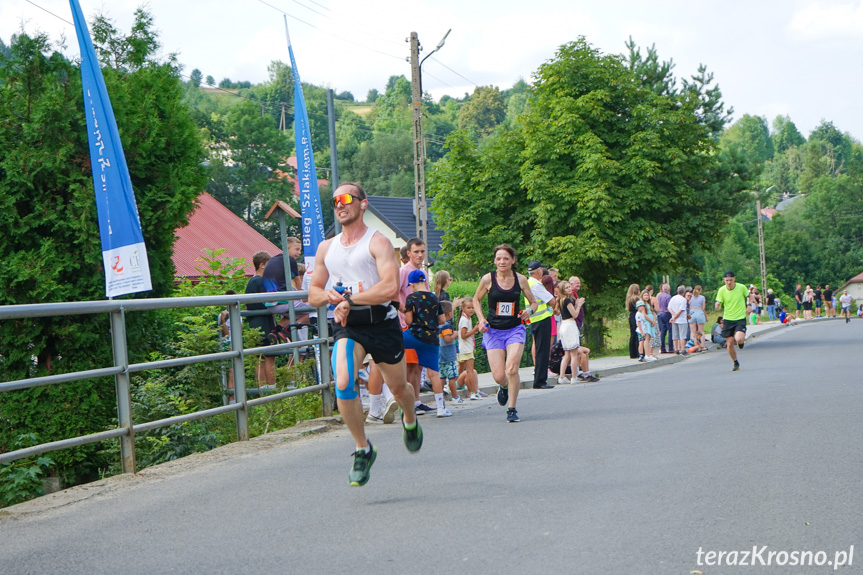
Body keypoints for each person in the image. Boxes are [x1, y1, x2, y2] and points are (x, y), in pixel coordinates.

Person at [307, 183, 422, 487]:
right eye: (335, 201)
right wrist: (329, 295)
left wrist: (350, 300)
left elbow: (388, 287)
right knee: (344, 381)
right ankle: (363, 448)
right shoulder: (326, 248)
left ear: (363, 204)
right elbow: (312, 294)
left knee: (399, 390)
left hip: (381, 322)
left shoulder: (378, 241)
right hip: (349, 326)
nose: (340, 205)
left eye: (346, 199)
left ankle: (410, 420)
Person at [473, 244, 539, 423]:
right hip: (493, 331)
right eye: (499, 258)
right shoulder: (488, 279)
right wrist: (480, 319)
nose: (502, 261)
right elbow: (476, 299)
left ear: (513, 260)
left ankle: (512, 408)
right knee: (499, 376)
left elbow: (534, 303)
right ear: (494, 261)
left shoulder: (521, 279)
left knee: (511, 369)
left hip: (514, 329)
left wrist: (529, 312)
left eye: (506, 258)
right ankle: (503, 387)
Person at [403, 270, 451, 417]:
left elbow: (409, 321)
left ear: (411, 284)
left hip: (413, 336)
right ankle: (441, 408)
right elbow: (442, 320)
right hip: (431, 339)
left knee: (391, 343)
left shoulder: (411, 297)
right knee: (434, 373)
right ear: (424, 282)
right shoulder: (434, 298)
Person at [398, 238, 434, 414]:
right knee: (410, 364)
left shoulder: (423, 274)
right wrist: (405, 311)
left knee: (419, 364)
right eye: (416, 252)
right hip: (407, 324)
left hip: (422, 325)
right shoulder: (403, 272)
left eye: (422, 251)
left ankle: (417, 400)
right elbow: (394, 294)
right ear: (409, 253)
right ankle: (408, 403)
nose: (420, 255)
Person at [245, 251, 277, 387]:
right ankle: (272, 389)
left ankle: (262, 391)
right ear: (262, 265)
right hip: (264, 322)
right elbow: (273, 300)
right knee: (269, 357)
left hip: (255, 323)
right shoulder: (261, 281)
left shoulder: (252, 282)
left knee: (260, 358)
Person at [524, 261, 556, 389]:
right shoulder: (536, 285)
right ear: (539, 271)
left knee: (539, 350)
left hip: (535, 320)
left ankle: (539, 379)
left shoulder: (527, 283)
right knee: (542, 351)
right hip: (542, 319)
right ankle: (540, 381)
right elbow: (551, 300)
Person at [714, 270, 749, 371]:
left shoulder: (741, 287)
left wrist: (749, 305)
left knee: (739, 339)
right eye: (726, 280)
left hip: (740, 317)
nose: (728, 282)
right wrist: (717, 305)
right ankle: (735, 362)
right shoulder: (722, 290)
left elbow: (749, 296)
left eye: (730, 280)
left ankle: (741, 342)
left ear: (734, 279)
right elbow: (719, 301)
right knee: (729, 343)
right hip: (728, 319)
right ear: (724, 280)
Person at [568, 276, 599, 382]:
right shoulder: (570, 296)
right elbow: (574, 312)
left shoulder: (574, 294)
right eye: (576, 283)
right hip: (573, 326)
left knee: (579, 351)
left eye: (579, 283)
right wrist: (579, 304)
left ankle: (578, 373)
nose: (579, 285)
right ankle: (580, 374)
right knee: (578, 351)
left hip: (576, 325)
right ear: (570, 284)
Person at [556, 280, 584, 382]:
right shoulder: (567, 300)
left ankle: (562, 377)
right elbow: (575, 314)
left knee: (567, 353)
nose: (569, 289)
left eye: (569, 287)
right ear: (563, 290)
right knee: (573, 354)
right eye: (567, 288)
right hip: (570, 325)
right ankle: (574, 377)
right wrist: (579, 305)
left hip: (564, 325)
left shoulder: (560, 300)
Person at [437, 301, 463, 405]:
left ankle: (439, 397)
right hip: (449, 355)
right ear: (449, 313)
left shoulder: (437, 326)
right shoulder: (446, 326)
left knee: (442, 377)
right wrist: (455, 334)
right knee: (452, 377)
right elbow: (448, 339)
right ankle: (455, 397)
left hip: (440, 355)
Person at [457, 298, 482, 399]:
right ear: (463, 308)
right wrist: (475, 330)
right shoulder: (464, 320)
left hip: (465, 347)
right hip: (466, 348)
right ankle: (473, 392)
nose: (471, 310)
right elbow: (463, 335)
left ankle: (468, 389)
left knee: (463, 368)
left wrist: (474, 330)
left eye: (472, 307)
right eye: (468, 308)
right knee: (470, 371)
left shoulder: (467, 319)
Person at [668, 285, 689, 356]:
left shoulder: (673, 298)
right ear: (684, 292)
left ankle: (676, 349)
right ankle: (682, 349)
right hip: (682, 319)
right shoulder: (683, 300)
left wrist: (673, 316)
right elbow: (681, 310)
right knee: (682, 335)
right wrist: (675, 316)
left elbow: (669, 308)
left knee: (675, 335)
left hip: (674, 320)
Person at [688, 285, 707, 351]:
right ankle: (702, 346)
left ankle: (693, 346)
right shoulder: (702, 298)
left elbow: (689, 306)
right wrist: (706, 316)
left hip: (692, 313)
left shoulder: (691, 297)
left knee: (692, 332)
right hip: (699, 312)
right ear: (700, 290)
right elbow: (703, 308)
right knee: (701, 331)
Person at [625, 284, 642, 359]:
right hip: (636, 315)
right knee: (637, 334)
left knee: (632, 335)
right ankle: (638, 351)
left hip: (631, 316)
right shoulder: (637, 298)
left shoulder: (629, 299)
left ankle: (632, 353)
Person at [656, 283, 673, 354]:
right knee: (670, 331)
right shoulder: (668, 296)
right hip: (667, 313)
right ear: (668, 289)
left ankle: (662, 348)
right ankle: (671, 348)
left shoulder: (659, 296)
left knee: (662, 332)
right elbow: (669, 306)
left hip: (660, 313)